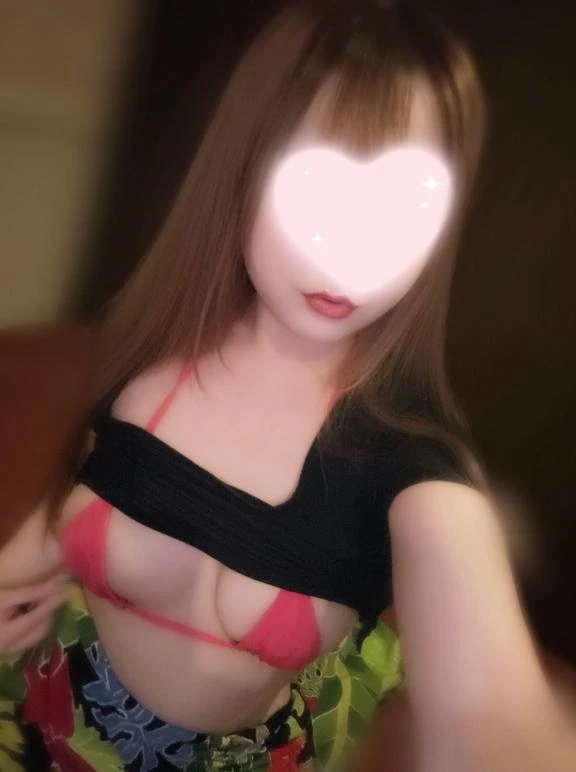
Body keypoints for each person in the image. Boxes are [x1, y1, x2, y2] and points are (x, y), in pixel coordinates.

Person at [1, 1, 572, 769]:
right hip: (47, 707)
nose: (352, 253)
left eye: (406, 206)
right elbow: (66, 517)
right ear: (242, 171)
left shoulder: (409, 468)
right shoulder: (146, 362)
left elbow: (494, 718)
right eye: (317, 189)